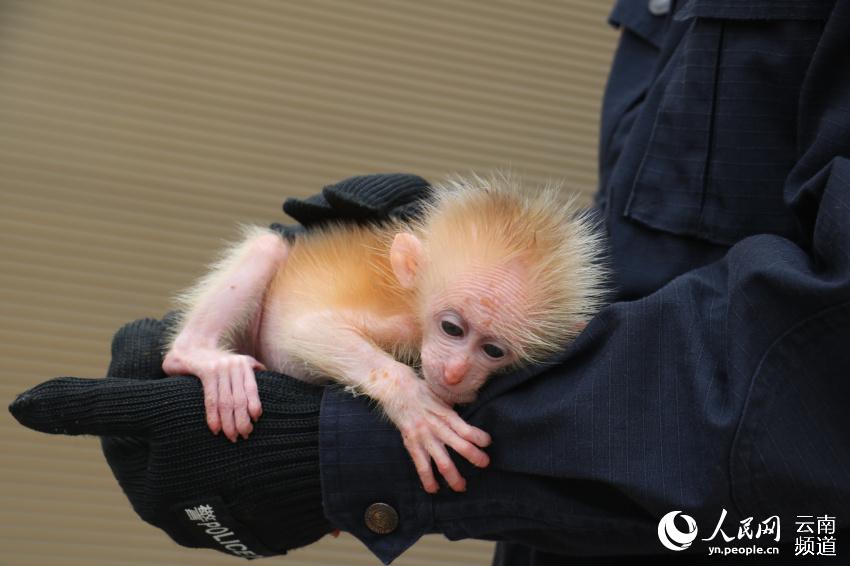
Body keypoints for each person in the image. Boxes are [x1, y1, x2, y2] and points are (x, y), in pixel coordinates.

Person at [10, 0, 850, 563]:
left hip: (740, 533)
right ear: (409, 266)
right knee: (268, 250)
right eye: (452, 331)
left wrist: (349, 452)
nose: (456, 372)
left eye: (493, 351)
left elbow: (819, 380)